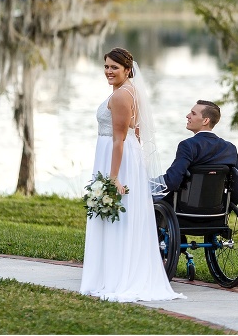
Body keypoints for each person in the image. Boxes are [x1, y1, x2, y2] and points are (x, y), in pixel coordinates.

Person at [79, 47, 185, 302]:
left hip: (117, 158)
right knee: (120, 216)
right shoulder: (128, 91)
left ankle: (117, 276)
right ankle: (113, 272)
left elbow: (119, 139)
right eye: (106, 66)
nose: (108, 71)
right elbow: (134, 134)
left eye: (114, 67)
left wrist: (114, 178)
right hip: (124, 157)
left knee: (118, 215)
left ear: (128, 70)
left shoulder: (121, 96)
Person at [161, 100, 238, 205]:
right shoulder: (229, 148)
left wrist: (146, 185)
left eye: (193, 113)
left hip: (184, 210)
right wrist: (225, 208)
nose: (188, 116)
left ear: (205, 121)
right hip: (216, 212)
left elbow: (171, 181)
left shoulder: (188, 145)